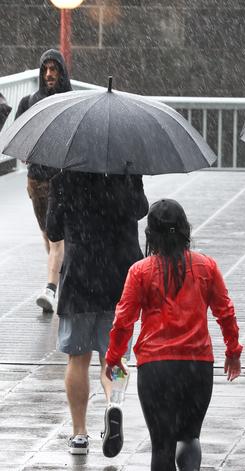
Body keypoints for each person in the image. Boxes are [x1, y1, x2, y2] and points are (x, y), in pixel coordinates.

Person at [105, 199, 242, 469]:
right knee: (190, 436)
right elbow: (225, 312)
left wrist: (114, 357)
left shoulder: (140, 271)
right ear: (185, 230)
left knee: (162, 445)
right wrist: (233, 352)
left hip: (156, 368)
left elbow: (124, 320)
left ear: (150, 235)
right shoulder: (206, 266)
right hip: (197, 366)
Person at [46, 171, 148, 455]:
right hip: (120, 277)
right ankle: (113, 404)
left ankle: (79, 435)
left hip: (79, 276)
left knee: (77, 358)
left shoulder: (63, 180)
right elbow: (141, 210)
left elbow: (53, 231)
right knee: (113, 356)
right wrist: (132, 178)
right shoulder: (126, 174)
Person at [15, 49, 72, 313]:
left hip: (61, 179)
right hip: (36, 182)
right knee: (48, 238)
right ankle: (61, 277)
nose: (49, 74)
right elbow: (19, 136)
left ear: (61, 72)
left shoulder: (70, 101)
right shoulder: (29, 102)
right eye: (45, 69)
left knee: (56, 238)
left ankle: (50, 289)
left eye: (54, 69)